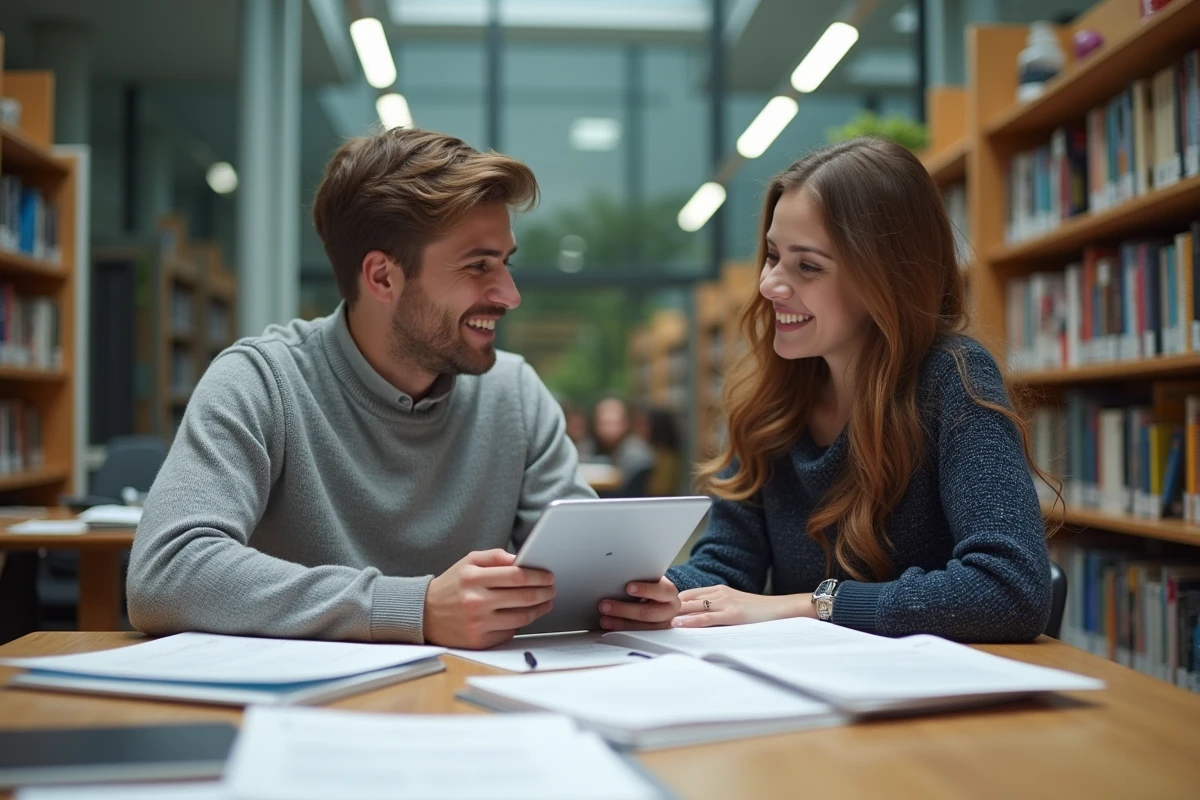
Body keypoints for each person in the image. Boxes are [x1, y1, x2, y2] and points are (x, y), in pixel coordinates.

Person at [127, 128, 679, 648]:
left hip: (471, 710)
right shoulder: (261, 381)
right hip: (306, 718)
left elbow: (582, 571)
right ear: (382, 277)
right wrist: (410, 608)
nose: (510, 295)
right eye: (478, 266)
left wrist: (624, 599)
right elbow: (166, 571)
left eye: (506, 263)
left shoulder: (515, 393)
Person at [666, 137, 1056, 643]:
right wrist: (651, 590)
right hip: (811, 691)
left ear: (885, 278)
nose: (768, 286)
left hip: (926, 701)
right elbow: (726, 568)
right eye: (772, 256)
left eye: (807, 266)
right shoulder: (771, 398)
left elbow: (1010, 591)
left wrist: (811, 605)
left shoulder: (951, 379)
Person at [592, 395, 655, 494]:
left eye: (614, 423)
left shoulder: (637, 453)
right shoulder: (592, 447)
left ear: (625, 423)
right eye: (604, 423)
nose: (609, 430)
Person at [633, 405, 683, 497]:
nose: (638, 428)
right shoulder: (652, 452)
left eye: (643, 424)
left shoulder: (665, 460)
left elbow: (657, 492)